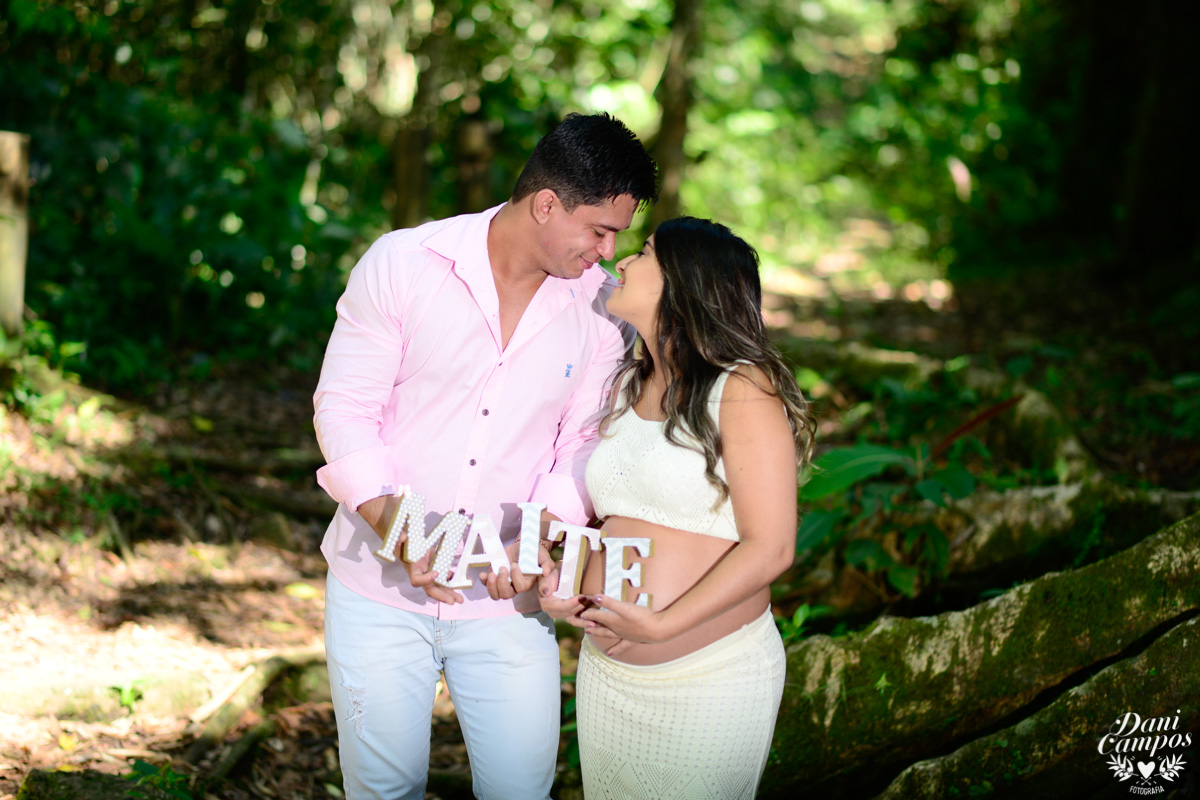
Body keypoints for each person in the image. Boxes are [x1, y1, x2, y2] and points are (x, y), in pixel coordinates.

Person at [312, 112, 658, 800]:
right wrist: (402, 531)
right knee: (383, 792)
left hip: (510, 605)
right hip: (375, 591)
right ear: (546, 204)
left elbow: (581, 445)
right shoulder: (404, 262)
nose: (609, 251)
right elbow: (344, 409)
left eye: (618, 234)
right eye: (600, 229)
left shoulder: (601, 311)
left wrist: (542, 543)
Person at [541, 217, 816, 799]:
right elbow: (609, 521)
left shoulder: (742, 388)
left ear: (683, 285)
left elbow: (773, 547)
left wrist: (661, 624)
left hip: (709, 681)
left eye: (642, 254)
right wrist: (564, 575)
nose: (621, 262)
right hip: (607, 680)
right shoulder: (625, 385)